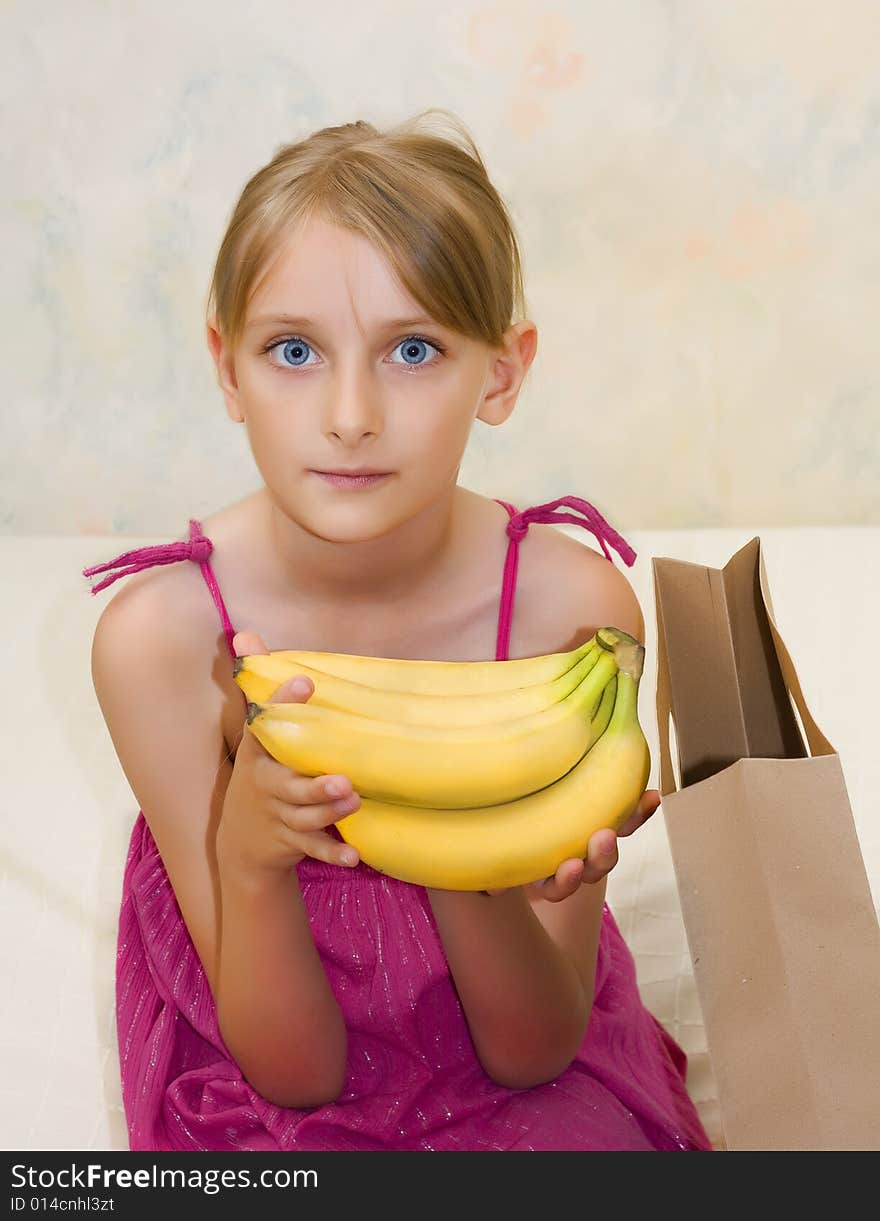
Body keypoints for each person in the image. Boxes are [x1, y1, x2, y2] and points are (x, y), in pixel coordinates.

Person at [83, 110, 712, 1153]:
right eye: (293, 350)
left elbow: (532, 1052)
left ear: (502, 373)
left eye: (412, 349)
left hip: (514, 1055)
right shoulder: (160, 644)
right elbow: (293, 1076)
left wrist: (452, 839)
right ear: (227, 370)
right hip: (275, 1050)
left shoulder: (572, 622)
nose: (350, 413)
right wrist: (248, 854)